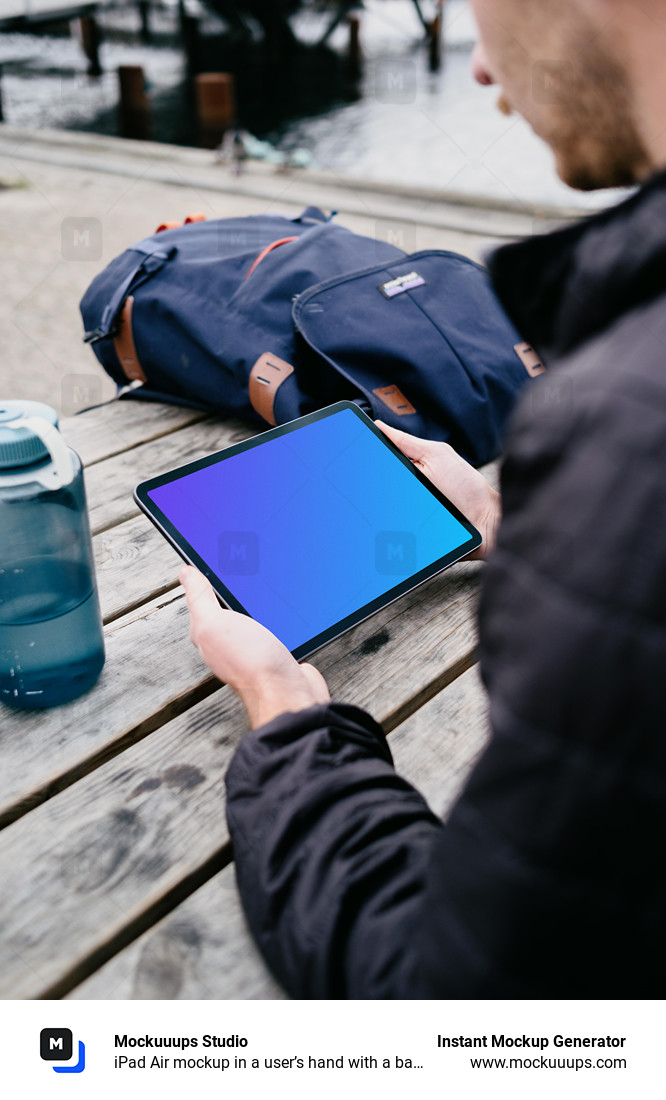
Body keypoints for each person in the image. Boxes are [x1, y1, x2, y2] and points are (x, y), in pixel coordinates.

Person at [179, 0, 666, 997]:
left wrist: (286, 718)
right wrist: (523, 526)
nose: (480, 67)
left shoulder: (630, 423)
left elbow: (458, 1004)